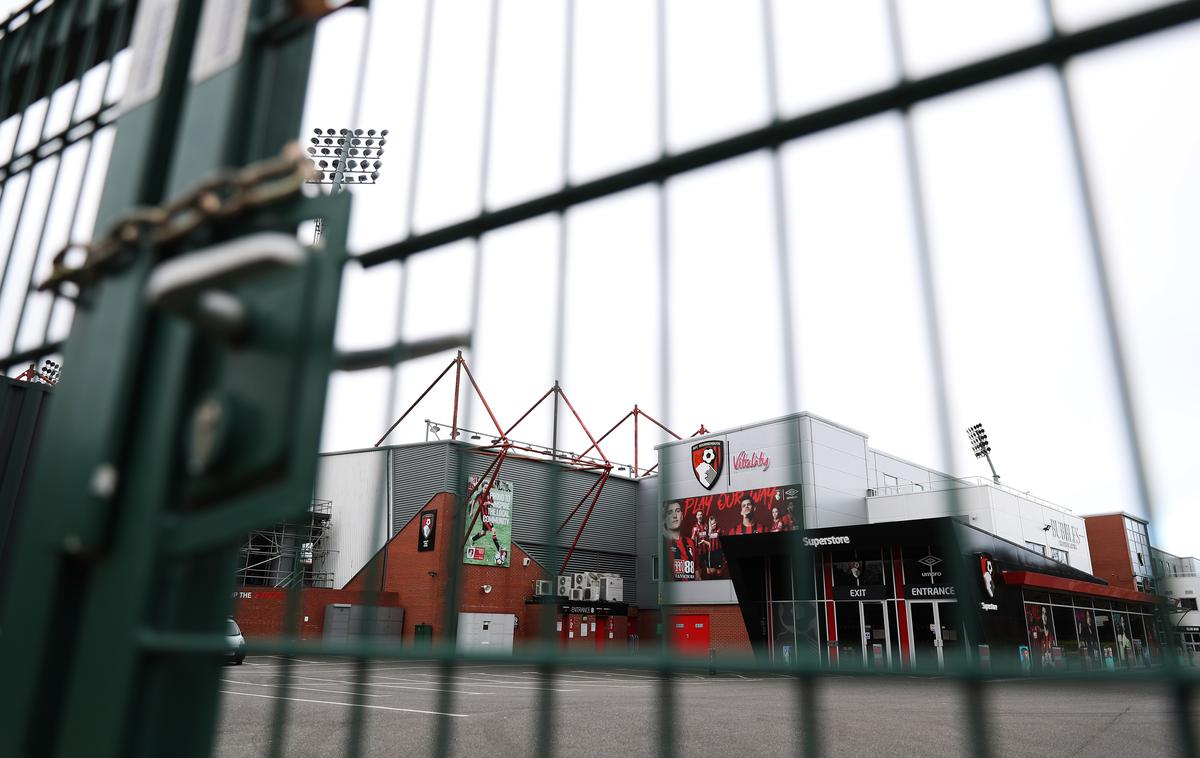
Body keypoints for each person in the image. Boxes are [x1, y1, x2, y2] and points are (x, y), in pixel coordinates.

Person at [662, 501, 697, 580]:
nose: (675, 516)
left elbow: (697, 571)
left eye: (677, 511)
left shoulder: (690, 542)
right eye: (670, 513)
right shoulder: (663, 544)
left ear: (682, 516)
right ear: (664, 519)